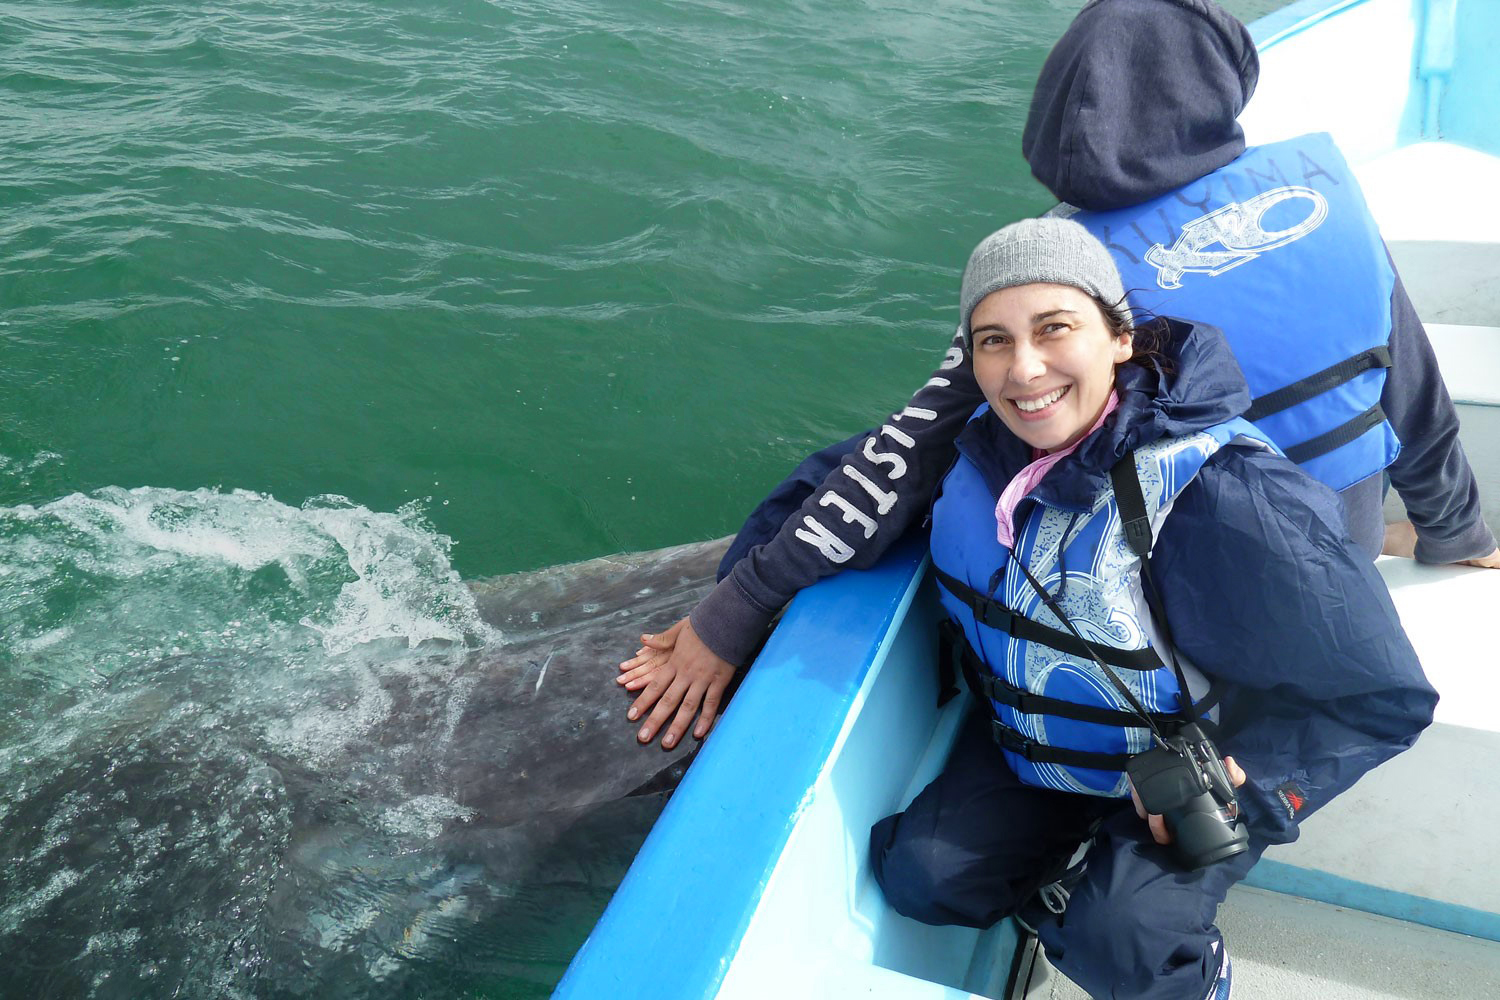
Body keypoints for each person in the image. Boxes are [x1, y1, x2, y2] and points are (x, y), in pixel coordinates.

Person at [616, 0, 1495, 752]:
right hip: (1328, 551)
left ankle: (705, 683)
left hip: (1164, 597)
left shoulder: (1077, 267)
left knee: (847, 466)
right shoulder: (1328, 205)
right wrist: (1453, 533)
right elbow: (1415, 403)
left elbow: (901, 461)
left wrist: (734, 612)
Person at [866, 216, 1433, 999]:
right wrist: (727, 616)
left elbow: (1382, 696)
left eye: (1054, 328)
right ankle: (1078, 866)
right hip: (1041, 750)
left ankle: (1189, 970)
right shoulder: (974, 448)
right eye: (993, 340)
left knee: (1120, 941)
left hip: (1184, 771)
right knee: (924, 878)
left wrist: (1256, 783)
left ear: (1120, 336)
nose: (1024, 370)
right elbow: (829, 482)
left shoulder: (1231, 497)